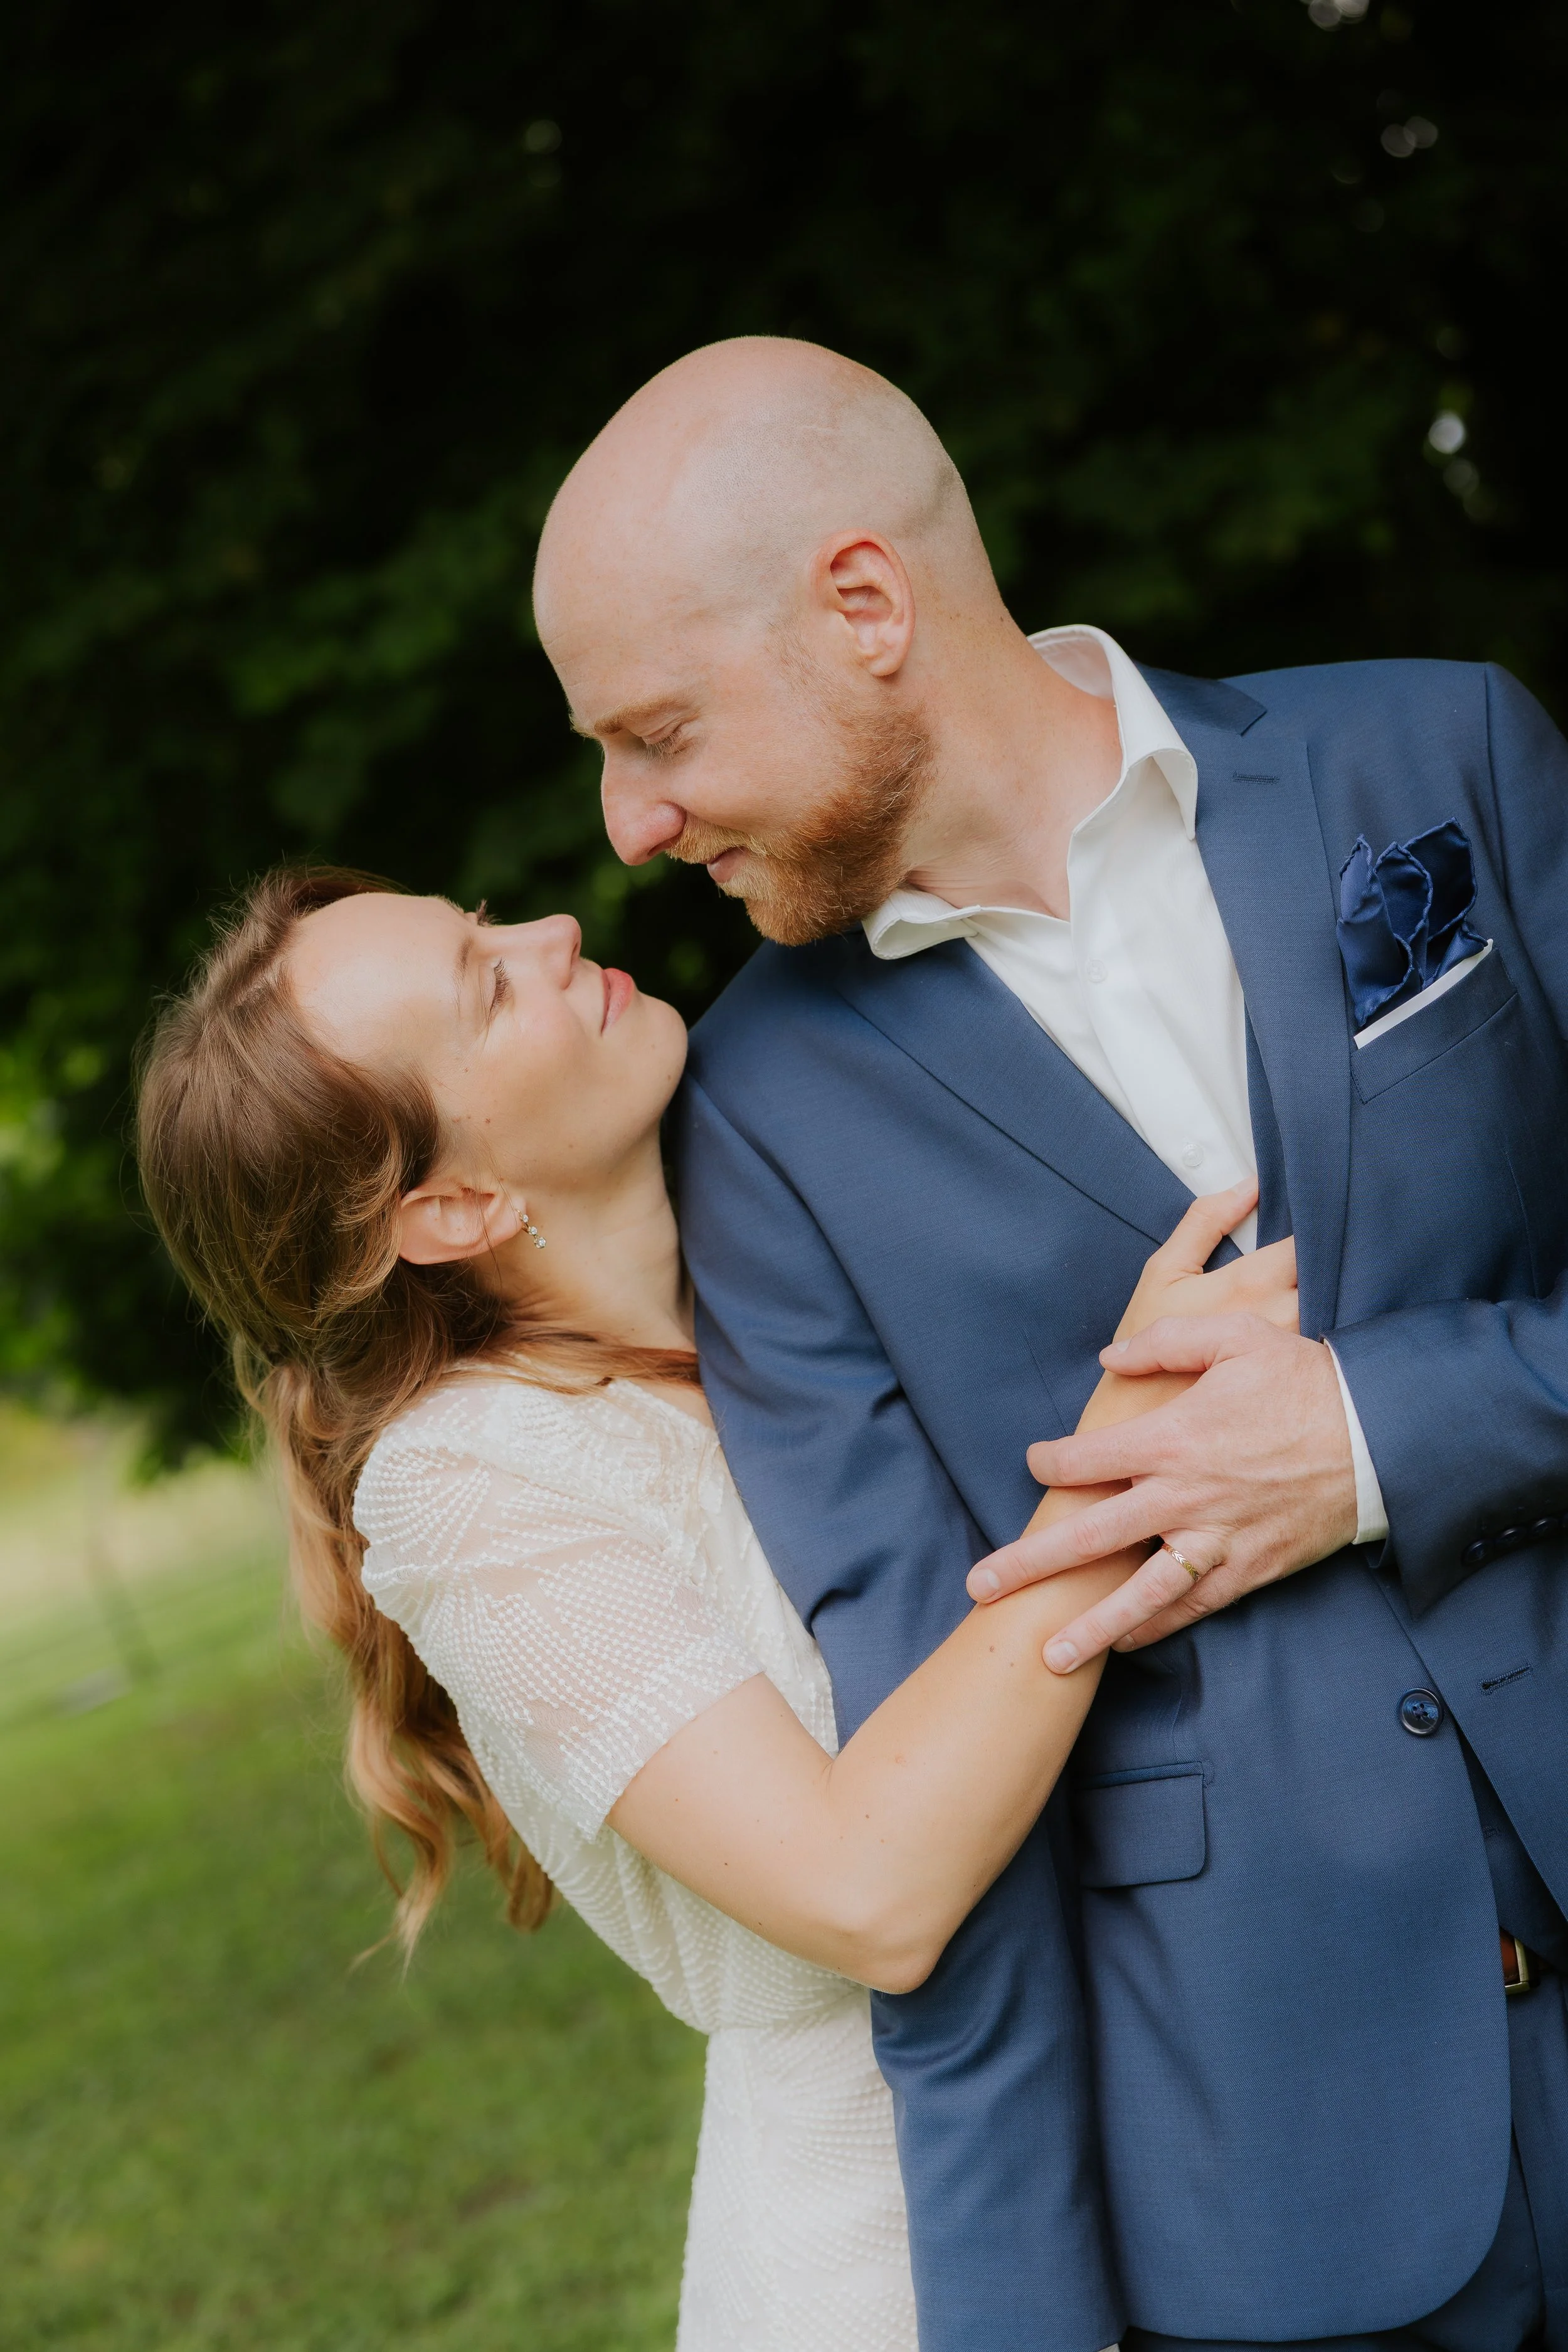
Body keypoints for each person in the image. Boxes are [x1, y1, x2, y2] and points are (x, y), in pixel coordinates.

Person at [532, 336, 1568, 2352]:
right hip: (1281, 2201)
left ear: (863, 605)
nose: (627, 823)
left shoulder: (1439, 762)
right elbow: (928, 1780)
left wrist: (1369, 1426)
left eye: (654, 731)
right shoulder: (749, 1118)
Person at [134, 864, 1297, 2351]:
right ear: (455, 1205)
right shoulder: (466, 1487)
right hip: (896, 2252)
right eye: (488, 988)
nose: (554, 937)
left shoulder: (796, 1250)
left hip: (1197, 2114)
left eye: (489, 923)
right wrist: (1132, 1440)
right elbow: (863, 1893)